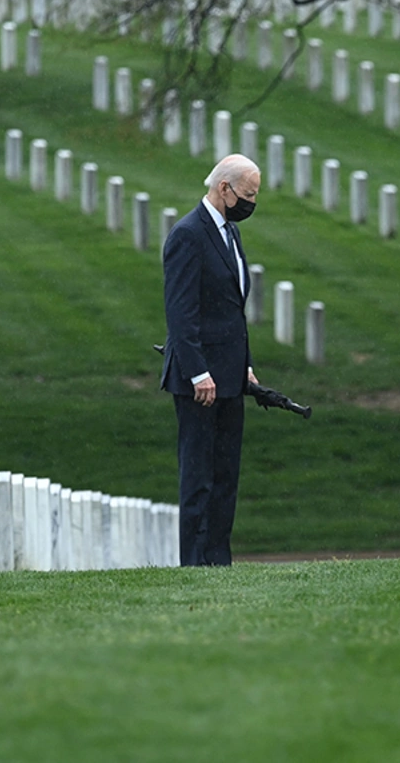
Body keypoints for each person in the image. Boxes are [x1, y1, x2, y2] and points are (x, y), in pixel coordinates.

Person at [161, 154, 262, 566]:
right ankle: (196, 563)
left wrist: (244, 367)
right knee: (199, 478)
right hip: (199, 382)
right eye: (248, 194)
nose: (251, 203)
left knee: (225, 477)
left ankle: (219, 560)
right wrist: (199, 371)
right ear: (225, 189)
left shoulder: (229, 233)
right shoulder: (188, 234)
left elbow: (229, 310)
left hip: (230, 377)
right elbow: (181, 313)